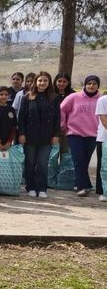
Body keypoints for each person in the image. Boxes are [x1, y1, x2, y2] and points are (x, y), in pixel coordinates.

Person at [18, 71, 60, 199]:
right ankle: (30, 187)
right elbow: (21, 117)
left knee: (42, 163)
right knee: (30, 163)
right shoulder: (27, 97)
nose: (42, 83)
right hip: (30, 136)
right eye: (40, 80)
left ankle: (42, 188)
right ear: (36, 82)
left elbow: (57, 119)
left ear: (49, 83)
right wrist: (21, 133)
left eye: (45, 81)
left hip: (46, 137)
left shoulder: (54, 98)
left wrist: (56, 135)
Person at [59, 75, 100, 196]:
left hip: (93, 135)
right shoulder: (74, 97)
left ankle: (79, 183)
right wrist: (63, 125)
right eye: (89, 83)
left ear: (98, 85)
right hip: (74, 133)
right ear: (85, 85)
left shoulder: (101, 99)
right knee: (78, 160)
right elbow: (62, 109)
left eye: (94, 83)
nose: (91, 86)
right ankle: (84, 186)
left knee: (85, 161)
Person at [94, 93, 107, 202]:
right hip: (104, 139)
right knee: (103, 166)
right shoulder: (103, 100)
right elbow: (105, 121)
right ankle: (102, 191)